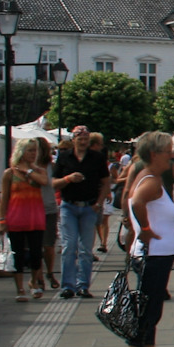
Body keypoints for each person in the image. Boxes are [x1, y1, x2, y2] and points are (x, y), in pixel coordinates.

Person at [122, 131, 174, 347]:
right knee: (146, 312)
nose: (172, 155)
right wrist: (144, 229)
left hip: (157, 255)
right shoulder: (152, 182)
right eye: (168, 151)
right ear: (155, 154)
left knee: (152, 311)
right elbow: (136, 201)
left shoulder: (150, 176)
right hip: (153, 256)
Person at [52, 125, 109, 298]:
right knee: (69, 246)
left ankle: (83, 285)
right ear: (73, 140)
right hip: (69, 205)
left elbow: (106, 181)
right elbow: (53, 183)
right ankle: (68, 285)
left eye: (86, 139)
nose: (83, 142)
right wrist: (68, 179)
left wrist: (99, 203)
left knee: (85, 249)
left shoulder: (97, 158)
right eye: (80, 138)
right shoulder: (64, 157)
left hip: (89, 206)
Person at [2, 138, 51, 302]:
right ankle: (20, 288)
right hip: (16, 218)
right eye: (30, 150)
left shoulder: (39, 171)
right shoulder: (9, 174)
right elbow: (5, 198)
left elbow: (44, 182)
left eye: (34, 150)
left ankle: (34, 282)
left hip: (35, 218)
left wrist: (28, 171)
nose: (33, 154)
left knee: (37, 253)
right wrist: (2, 219)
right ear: (21, 152)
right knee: (18, 254)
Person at [36, 139, 62, 291]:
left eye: (37, 149)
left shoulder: (51, 167)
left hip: (49, 208)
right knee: (35, 246)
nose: (35, 152)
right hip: (32, 209)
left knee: (48, 245)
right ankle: (38, 276)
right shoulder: (26, 168)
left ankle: (50, 272)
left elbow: (56, 184)